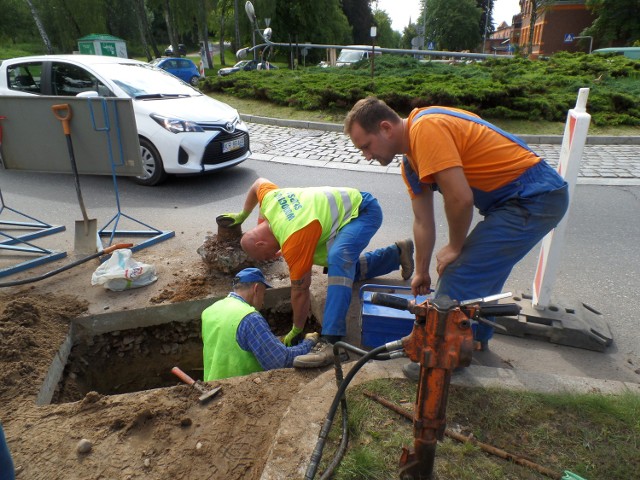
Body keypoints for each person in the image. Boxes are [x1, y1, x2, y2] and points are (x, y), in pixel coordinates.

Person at [344, 97, 569, 377]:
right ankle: (472, 342)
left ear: (386, 128)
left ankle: (440, 360)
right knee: (479, 272)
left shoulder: (425, 129)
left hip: (535, 196)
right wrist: (422, 272)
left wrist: (454, 247)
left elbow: (460, 199)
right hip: (515, 201)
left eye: (366, 146)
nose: (366, 155)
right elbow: (422, 221)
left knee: (459, 271)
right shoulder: (410, 164)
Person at [220, 178, 414, 368]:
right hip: (347, 213)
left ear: (261, 243)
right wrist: (243, 215)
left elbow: (300, 290)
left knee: (339, 259)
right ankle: (396, 254)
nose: (270, 258)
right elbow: (257, 184)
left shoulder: (293, 238)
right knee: (338, 261)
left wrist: (297, 328)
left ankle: (332, 341)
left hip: (363, 212)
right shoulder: (271, 201)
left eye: (264, 256)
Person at [201, 267, 320, 381]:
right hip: (241, 389)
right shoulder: (249, 318)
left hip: (213, 386)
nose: (263, 302)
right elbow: (280, 361)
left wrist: (273, 342)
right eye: (264, 294)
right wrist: (308, 343)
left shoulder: (209, 311)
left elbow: (228, 342)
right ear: (256, 289)